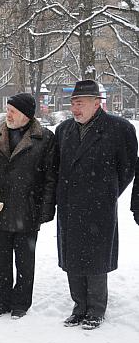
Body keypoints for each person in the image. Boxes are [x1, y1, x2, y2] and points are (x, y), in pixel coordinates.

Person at [55, 80, 137, 329]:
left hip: (98, 206)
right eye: (73, 103)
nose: (75, 109)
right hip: (69, 205)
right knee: (72, 257)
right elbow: (56, 166)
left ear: (97, 103)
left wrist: (108, 193)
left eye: (80, 103)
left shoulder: (118, 128)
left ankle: (96, 309)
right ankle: (79, 306)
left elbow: (127, 168)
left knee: (96, 258)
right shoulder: (64, 130)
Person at [0, 93, 58, 319]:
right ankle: (0, 301)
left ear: (26, 115)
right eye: (7, 109)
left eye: (13, 110)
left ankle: (21, 302)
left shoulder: (44, 138)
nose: (7, 114)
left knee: (24, 260)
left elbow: (51, 176)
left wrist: (47, 208)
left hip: (28, 209)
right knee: (0, 260)